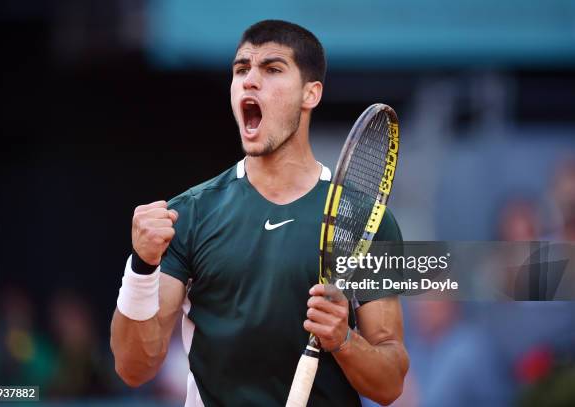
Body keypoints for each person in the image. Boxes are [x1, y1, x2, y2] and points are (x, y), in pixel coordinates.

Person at [110, 20, 408, 406]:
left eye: (272, 69)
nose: (250, 80)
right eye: (241, 70)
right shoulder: (188, 215)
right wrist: (141, 267)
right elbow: (133, 369)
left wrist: (344, 341)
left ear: (310, 93)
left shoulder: (369, 220)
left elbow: (391, 384)